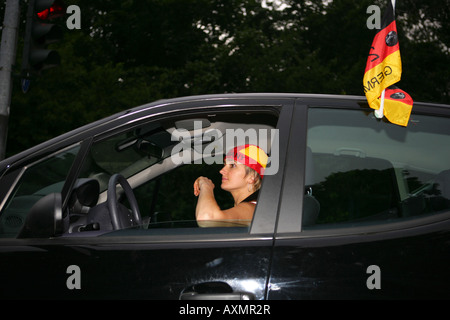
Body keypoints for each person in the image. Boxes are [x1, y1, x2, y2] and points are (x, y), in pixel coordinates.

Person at [193, 144, 268, 226]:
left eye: (232, 165)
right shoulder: (253, 207)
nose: (221, 170)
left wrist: (206, 185)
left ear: (252, 177)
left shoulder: (252, 209)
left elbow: (206, 217)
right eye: (225, 164)